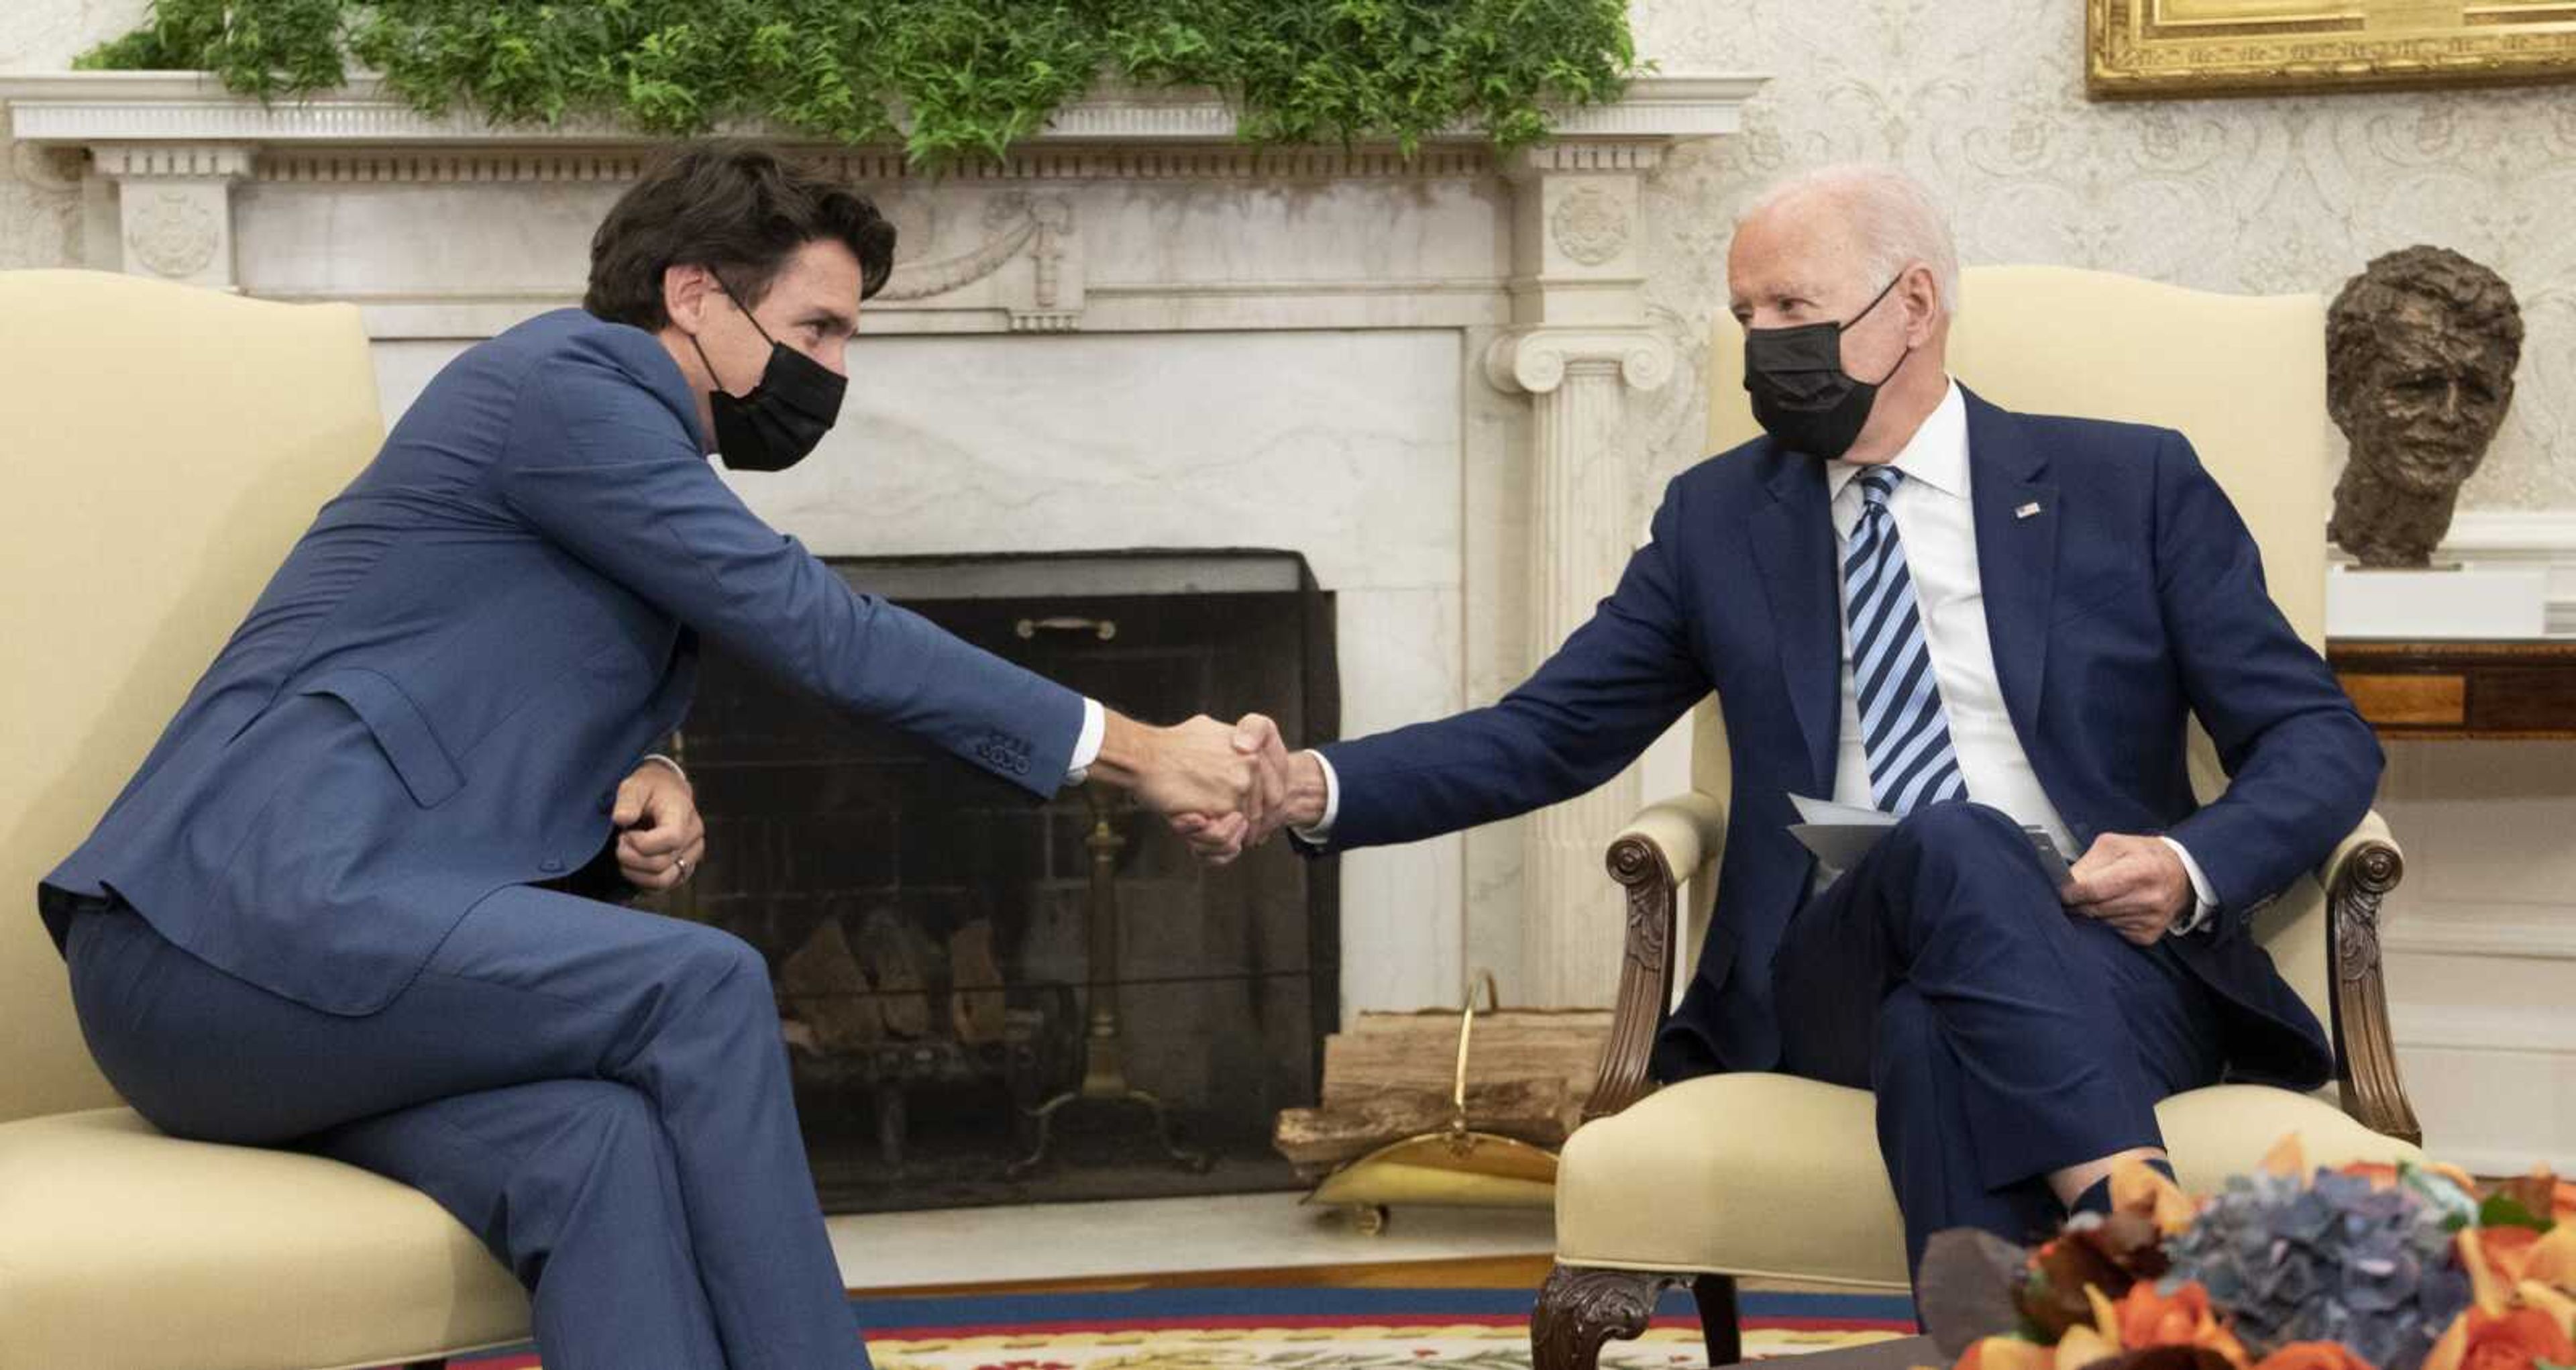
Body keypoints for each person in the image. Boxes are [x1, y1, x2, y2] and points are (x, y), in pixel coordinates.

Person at [40, 142, 1271, 1369]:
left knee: (595, 1149)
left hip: (307, 978)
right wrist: (1139, 749)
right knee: (704, 985)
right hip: (210, 945)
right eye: (820, 327)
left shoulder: (603, 444)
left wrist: (653, 762)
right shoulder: (569, 380)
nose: (834, 370)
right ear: (692, 294)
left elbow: (503, 666)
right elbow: (812, 622)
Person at [1196, 164, 2382, 1284]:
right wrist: (1309, 784)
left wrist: (2187, 862)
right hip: (1832, 961)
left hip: (2115, 958)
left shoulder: (2132, 485)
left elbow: (2318, 738)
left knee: (1937, 1040)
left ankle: (2044, 1327)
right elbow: (1548, 730)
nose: (1761, 342)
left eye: (1791, 305)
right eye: (1744, 312)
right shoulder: (1719, 520)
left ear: (1913, 303)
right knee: (1957, 838)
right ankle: (2145, 1229)